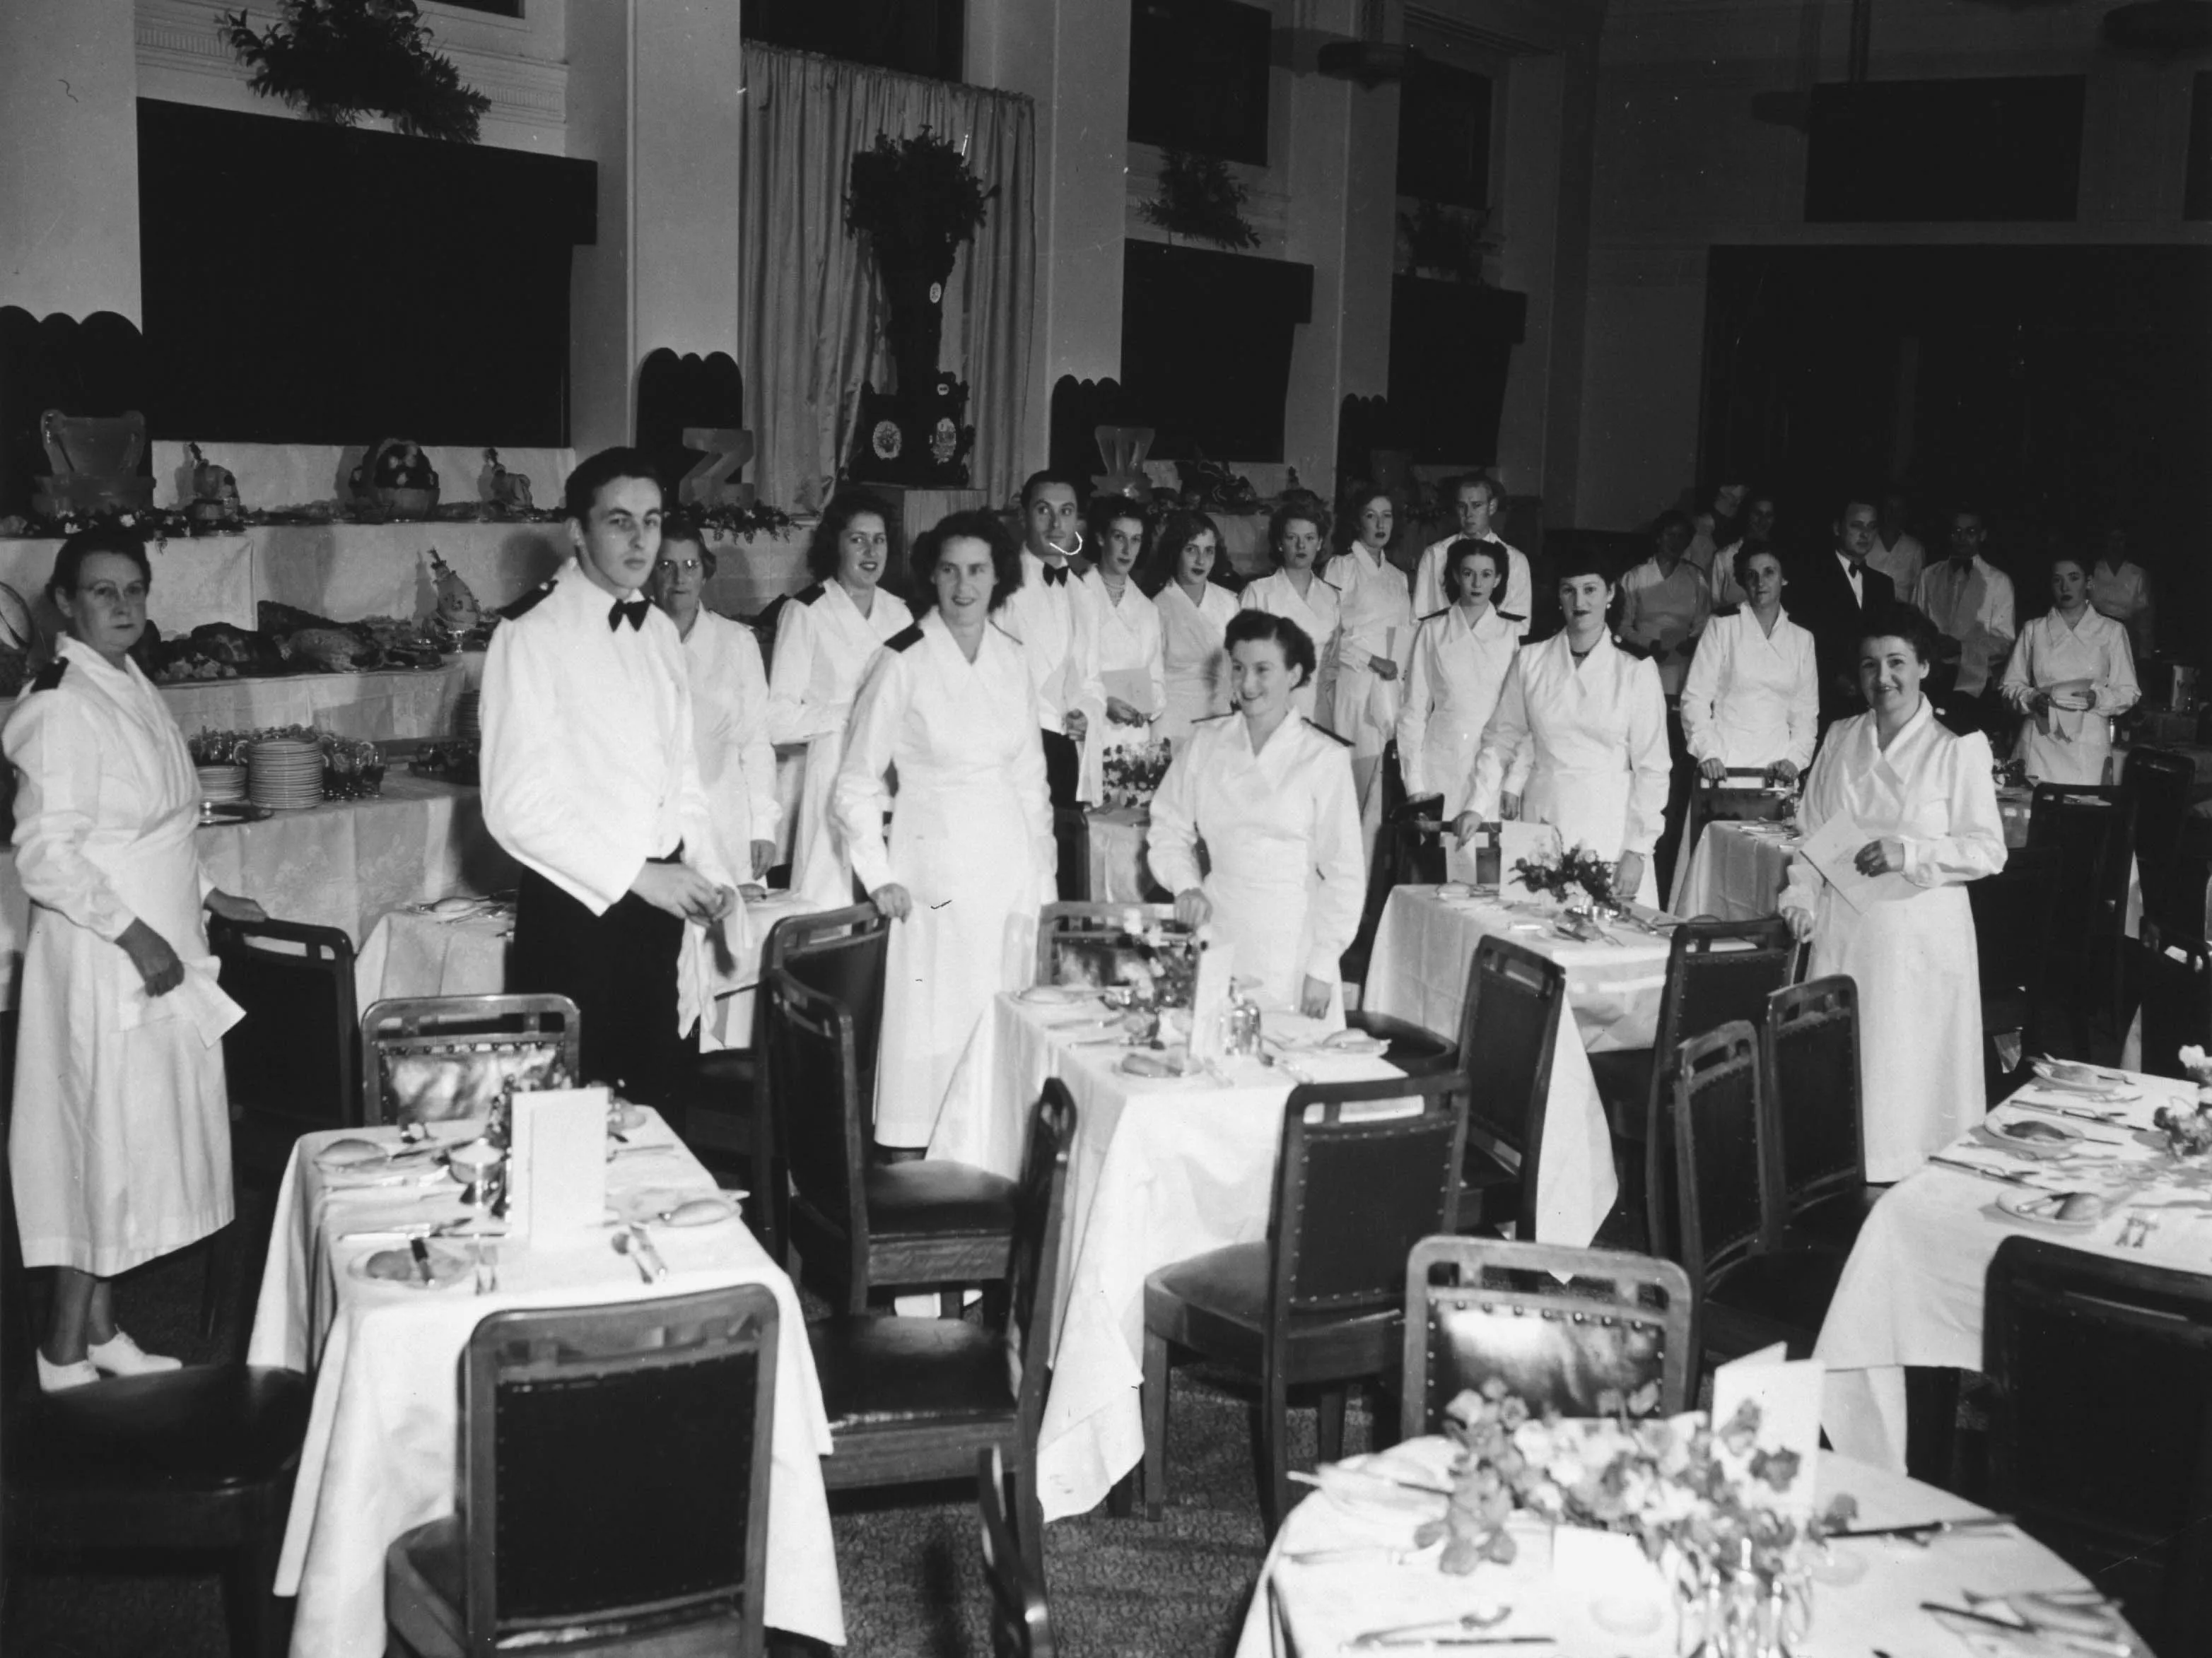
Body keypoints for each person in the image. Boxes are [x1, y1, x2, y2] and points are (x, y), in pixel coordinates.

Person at [7, 527, 267, 1391]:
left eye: (134, 590)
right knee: (95, 1154)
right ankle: (59, 1353)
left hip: (159, 945)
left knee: (130, 1152)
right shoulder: (59, 704)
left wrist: (206, 898)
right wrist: (136, 933)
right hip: (101, 955)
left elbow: (156, 827)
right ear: (66, 605)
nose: (123, 607)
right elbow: (47, 855)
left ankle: (106, 1329)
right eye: (102, 592)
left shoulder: (131, 681)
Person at [483, 448, 737, 1103]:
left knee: (661, 1113)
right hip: (579, 917)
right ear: (578, 530)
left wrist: (711, 873)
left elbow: (682, 778)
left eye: (650, 521)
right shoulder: (530, 633)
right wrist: (638, 877)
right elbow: (516, 806)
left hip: (659, 917)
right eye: (619, 521)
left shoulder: (655, 629)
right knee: (571, 1132)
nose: (640, 539)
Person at [833, 510, 1053, 1153]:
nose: (963, 586)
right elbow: (855, 781)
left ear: (998, 578)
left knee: (999, 1008)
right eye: (950, 570)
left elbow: (1029, 780)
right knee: (934, 1017)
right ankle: (918, 1158)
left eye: (977, 571)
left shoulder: (1013, 659)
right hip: (930, 868)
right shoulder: (900, 659)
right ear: (932, 574)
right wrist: (879, 875)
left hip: (1007, 866)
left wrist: (1042, 878)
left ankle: (992, 1151)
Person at [1779, 605, 2006, 1180]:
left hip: (1917, 940)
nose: (1883, 679)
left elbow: (1987, 850)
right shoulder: (1840, 737)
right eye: (1869, 666)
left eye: (1897, 663)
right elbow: (1812, 835)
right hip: (1844, 932)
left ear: (1924, 666)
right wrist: (1800, 897)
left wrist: (1912, 853)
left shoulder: (1955, 747)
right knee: (1845, 1076)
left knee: (1906, 1082)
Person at [1149, 609, 1362, 1022]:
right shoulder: (1207, 743)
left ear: (1294, 674)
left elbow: (1345, 873)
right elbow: (1168, 826)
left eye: (1263, 670)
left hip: (1293, 948)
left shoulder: (1324, 758)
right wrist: (1186, 886)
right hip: (1220, 930)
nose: (1247, 684)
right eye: (1239, 668)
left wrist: (1321, 965)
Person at [1458, 549, 1671, 907]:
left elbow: (1653, 767)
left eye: (1590, 590)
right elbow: (1501, 738)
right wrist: (1477, 805)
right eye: (1569, 591)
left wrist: (1638, 849)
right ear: (1558, 597)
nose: (1580, 601)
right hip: (1544, 821)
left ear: (1611, 594)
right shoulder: (1531, 660)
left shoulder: (1635, 668)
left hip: (1610, 830)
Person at [765, 489, 916, 909]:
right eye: (858, 539)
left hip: (890, 771)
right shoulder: (807, 611)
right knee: (829, 900)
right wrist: (853, 714)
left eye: (880, 539)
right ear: (836, 544)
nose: (871, 551)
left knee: (890, 890)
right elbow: (777, 719)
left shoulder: (900, 614)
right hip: (832, 770)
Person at [648, 515, 778, 892]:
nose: (679, 578)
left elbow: (755, 741)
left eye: (690, 566)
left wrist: (763, 827)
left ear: (705, 573)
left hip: (726, 822)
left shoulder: (736, 642)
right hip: (659, 824)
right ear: (651, 573)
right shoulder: (634, 641)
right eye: (666, 566)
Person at [1620, 510, 1715, 894]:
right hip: (1647, 669)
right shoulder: (1635, 578)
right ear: (1658, 537)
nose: (1674, 542)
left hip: (1683, 673)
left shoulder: (1695, 579)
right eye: (1669, 535)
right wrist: (1650, 646)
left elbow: (1705, 622)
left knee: (1670, 765)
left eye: (1682, 536)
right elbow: (1624, 625)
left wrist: (1690, 641)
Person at [1001, 469, 1104, 805]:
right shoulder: (999, 587)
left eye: (1067, 512)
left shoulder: (1085, 593)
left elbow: (1093, 678)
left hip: (1068, 750)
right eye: (1044, 510)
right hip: (1015, 748)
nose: (1056, 524)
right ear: (1023, 515)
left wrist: (1086, 713)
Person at [1395, 539, 1517, 820]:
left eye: (1486, 575)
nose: (1477, 583)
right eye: (1468, 573)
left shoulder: (1510, 635)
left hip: (1493, 768)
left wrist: (1513, 783)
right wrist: (1415, 786)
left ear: (1498, 579)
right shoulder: (1433, 631)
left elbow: (1517, 718)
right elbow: (1414, 711)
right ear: (1454, 575)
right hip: (1440, 765)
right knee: (1440, 858)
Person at [1679, 545, 1819, 787]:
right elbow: (1695, 698)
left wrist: (1795, 760)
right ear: (1743, 581)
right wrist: (1708, 753)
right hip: (1723, 768)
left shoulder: (1802, 639)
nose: (1760, 582)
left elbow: (1806, 713)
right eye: (1751, 575)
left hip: (1779, 772)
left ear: (1784, 578)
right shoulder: (1722, 629)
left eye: (1769, 573)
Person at [2000, 553, 2140, 786]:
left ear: (2089, 582)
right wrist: (2032, 699)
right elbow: (2009, 687)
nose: (2065, 587)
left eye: (2074, 578)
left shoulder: (2111, 631)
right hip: (2040, 745)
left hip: (2088, 746)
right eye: (2057, 580)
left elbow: (2128, 692)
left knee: (2083, 815)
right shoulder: (2035, 630)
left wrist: (2097, 698)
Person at [1321, 486, 1413, 828]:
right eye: (1371, 515)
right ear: (1357, 521)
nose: (1380, 523)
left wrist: (1399, 669)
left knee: (1389, 778)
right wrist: (1373, 660)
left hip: (1392, 687)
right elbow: (1329, 635)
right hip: (1356, 683)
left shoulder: (1398, 577)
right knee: (1360, 773)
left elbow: (1408, 631)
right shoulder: (1340, 568)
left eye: (1386, 515)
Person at [1790, 493, 1898, 730]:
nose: (1865, 534)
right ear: (1838, 528)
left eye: (1872, 527)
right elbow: (1799, 641)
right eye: (1857, 526)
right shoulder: (1810, 577)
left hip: (1871, 703)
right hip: (1822, 702)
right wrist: (1834, 677)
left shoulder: (1883, 585)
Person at [1914, 506, 2016, 736]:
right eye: (1956, 531)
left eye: (1970, 531)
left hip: (1974, 685)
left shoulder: (1998, 582)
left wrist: (1961, 647)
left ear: (1982, 535)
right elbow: (1914, 626)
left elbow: (2005, 642)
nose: (1962, 538)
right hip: (1931, 679)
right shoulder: (1928, 575)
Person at [1239, 500, 1342, 725]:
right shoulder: (1259, 592)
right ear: (1279, 543)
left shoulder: (1331, 596)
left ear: (1320, 543)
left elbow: (1331, 668)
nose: (1301, 546)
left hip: (1318, 711)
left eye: (1309, 538)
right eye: (1292, 538)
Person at [1079, 494, 1166, 751]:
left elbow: (1158, 682)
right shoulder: (1075, 595)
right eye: (1119, 537)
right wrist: (1104, 701)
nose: (1128, 550)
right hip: (1086, 732)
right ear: (1100, 537)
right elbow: (1064, 674)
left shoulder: (1148, 609)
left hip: (1132, 738)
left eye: (1136, 540)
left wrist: (1145, 707)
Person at [1151, 508, 1242, 743]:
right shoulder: (1156, 607)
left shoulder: (1229, 603)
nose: (1201, 561)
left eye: (1209, 551)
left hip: (1217, 718)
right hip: (1171, 723)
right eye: (1191, 550)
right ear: (1175, 552)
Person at [1411, 474, 1532, 637]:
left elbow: (1520, 627)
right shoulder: (1435, 555)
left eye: (1477, 505)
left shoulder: (1515, 560)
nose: (1468, 514)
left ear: (1492, 506)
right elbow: (1419, 619)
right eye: (1462, 506)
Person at [2086, 525, 2155, 661]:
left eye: (2120, 539)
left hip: (2126, 640)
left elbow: (2145, 618)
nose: (2115, 544)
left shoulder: (2137, 574)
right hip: (2095, 639)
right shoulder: (2093, 570)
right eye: (2111, 539)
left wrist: (2145, 653)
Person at [1708, 491, 1777, 611]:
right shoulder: (1724, 557)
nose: (1762, 521)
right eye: (1758, 514)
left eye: (1768, 516)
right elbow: (1712, 605)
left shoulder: (1779, 558)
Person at [1868, 486, 1926, 604]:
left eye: (1898, 509)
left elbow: (1919, 593)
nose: (1892, 514)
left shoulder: (1915, 549)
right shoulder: (1868, 541)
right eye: (1889, 508)